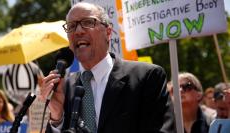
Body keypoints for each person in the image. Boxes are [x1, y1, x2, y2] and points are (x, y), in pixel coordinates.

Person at [39, 2, 176, 133]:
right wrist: (57, 118)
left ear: (108, 32)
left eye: (88, 23)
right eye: (72, 26)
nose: (78, 31)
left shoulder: (147, 77)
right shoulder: (63, 88)